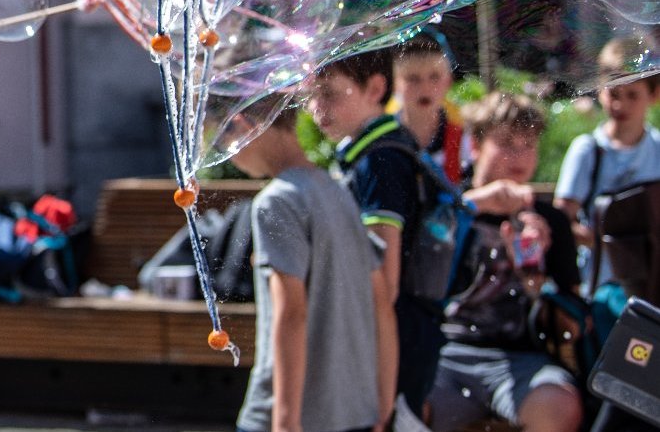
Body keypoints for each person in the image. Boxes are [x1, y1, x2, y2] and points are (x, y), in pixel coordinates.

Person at [228, 105, 394, 432]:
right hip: (354, 411)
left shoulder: (276, 201)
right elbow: (382, 304)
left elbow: (291, 313)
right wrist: (382, 403)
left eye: (223, 143)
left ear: (243, 124)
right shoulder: (338, 191)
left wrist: (286, 421)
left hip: (291, 414)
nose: (229, 157)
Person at [429, 95, 582, 432]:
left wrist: (535, 279)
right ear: (476, 146)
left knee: (559, 405)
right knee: (413, 401)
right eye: (506, 143)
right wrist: (472, 207)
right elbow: (419, 273)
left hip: (520, 356)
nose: (519, 156)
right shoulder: (452, 208)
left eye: (528, 144)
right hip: (447, 351)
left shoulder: (547, 220)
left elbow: (571, 310)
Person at [305, 49, 441, 418]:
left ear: (376, 88)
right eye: (311, 95)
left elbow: (384, 279)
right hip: (395, 329)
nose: (317, 107)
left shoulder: (381, 160)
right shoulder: (375, 151)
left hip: (394, 336)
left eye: (329, 93)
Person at [554, 35, 660, 289]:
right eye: (613, 93)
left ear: (654, 95)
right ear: (600, 91)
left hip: (651, 285)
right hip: (599, 285)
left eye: (632, 95)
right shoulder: (588, 150)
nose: (620, 104)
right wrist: (592, 237)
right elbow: (561, 220)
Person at [391, 31, 471, 185]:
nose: (425, 88)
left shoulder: (462, 135)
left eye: (434, 77)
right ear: (395, 85)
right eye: (412, 79)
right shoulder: (383, 135)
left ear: (448, 81)